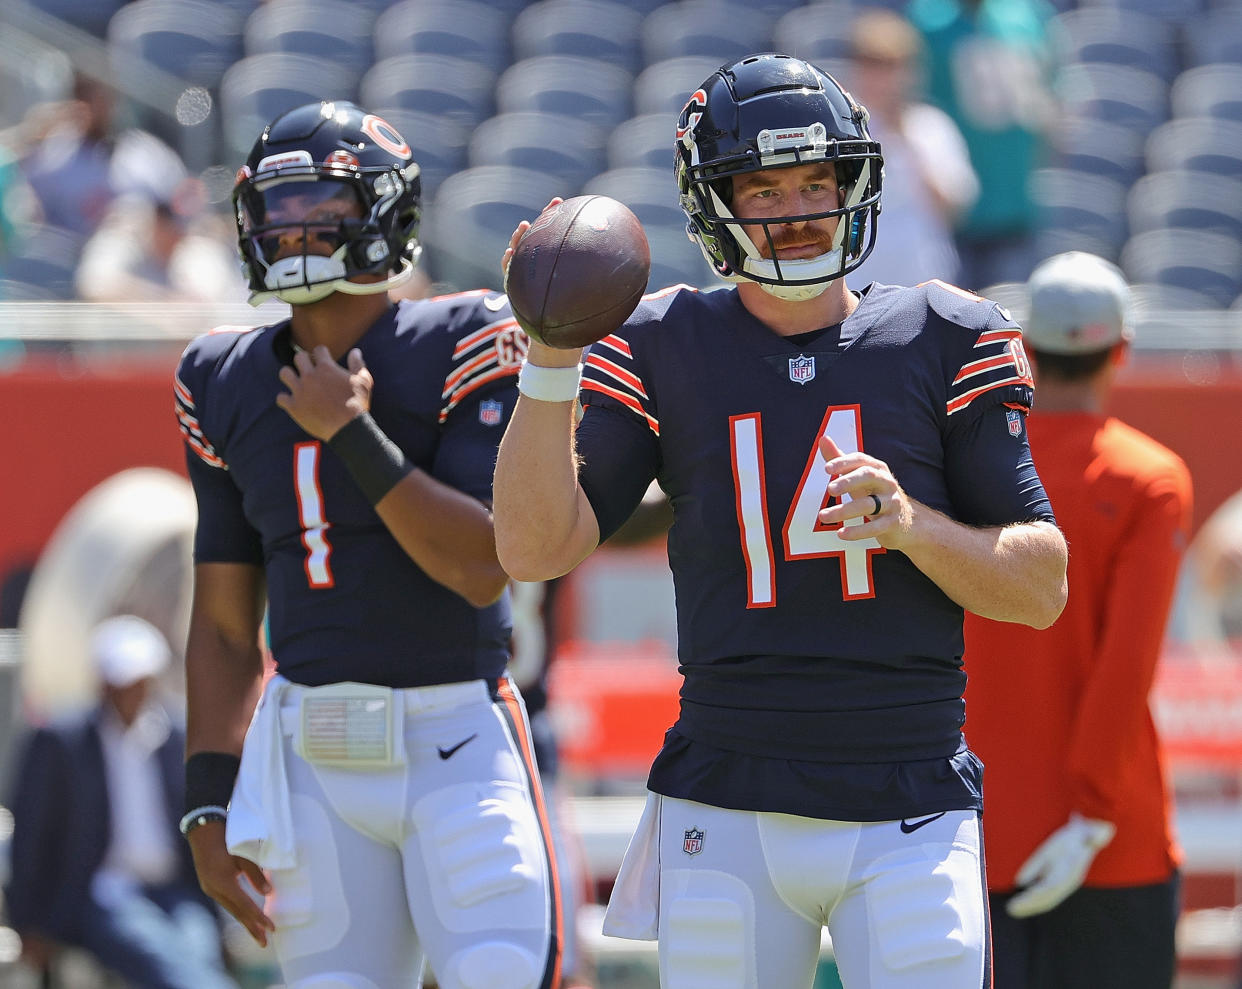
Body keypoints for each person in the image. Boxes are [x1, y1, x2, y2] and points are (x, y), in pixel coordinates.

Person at [492, 52, 1068, 989]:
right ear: (714, 201)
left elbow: (1042, 585)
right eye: (764, 187)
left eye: (817, 181)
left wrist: (912, 524)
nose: (798, 210)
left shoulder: (947, 334)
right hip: (728, 796)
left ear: (856, 184)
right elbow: (532, 546)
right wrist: (550, 360)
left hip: (908, 794)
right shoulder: (661, 341)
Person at [174, 101, 562, 989]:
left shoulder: (460, 337)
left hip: (456, 734)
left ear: (386, 214)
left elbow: (477, 564)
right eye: (277, 210)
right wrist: (206, 797)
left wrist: (351, 433)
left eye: (323, 207)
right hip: (312, 750)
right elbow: (228, 623)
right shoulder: (218, 376)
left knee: (499, 975)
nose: (295, 229)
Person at [963, 251, 1191, 989]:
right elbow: (1127, 663)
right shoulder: (1146, 477)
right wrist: (1093, 808)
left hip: (970, 828)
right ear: (1119, 351)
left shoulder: (965, 468)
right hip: (1110, 839)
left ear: (1026, 347)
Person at [5, 615, 236, 989]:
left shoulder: (177, 736)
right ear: (103, 684)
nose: (133, 693)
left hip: (175, 891)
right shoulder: (62, 742)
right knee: (154, 951)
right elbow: (33, 832)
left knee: (196, 945)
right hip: (103, 893)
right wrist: (29, 921)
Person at [905, 0, 1057, 290]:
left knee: (1006, 316)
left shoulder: (1027, 17)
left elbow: (1050, 108)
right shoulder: (929, 21)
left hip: (1014, 203)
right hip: (951, 211)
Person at [848, 9, 979, 289]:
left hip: (923, 283)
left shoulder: (931, 126)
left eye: (890, 65)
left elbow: (953, 208)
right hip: (858, 284)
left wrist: (905, 140)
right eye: (871, 63)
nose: (880, 77)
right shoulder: (842, 130)